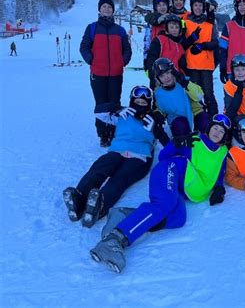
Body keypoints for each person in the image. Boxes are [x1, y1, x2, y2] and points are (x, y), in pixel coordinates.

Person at [89, 114, 231, 273]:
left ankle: (124, 216)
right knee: (164, 205)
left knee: (178, 218)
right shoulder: (195, 140)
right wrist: (176, 144)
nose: (217, 132)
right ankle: (116, 239)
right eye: (215, 128)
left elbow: (220, 173)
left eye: (221, 131)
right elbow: (164, 156)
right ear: (209, 127)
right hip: (170, 169)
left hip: (179, 187)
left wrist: (219, 188)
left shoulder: (222, 152)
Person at [62, 86, 155, 228]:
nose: (139, 106)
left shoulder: (152, 120)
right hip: (117, 151)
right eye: (137, 101)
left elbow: (167, 139)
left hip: (140, 156)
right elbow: (99, 112)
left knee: (120, 178)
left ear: (149, 105)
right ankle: (78, 198)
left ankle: (99, 206)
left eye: (143, 103)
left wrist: (156, 127)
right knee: (99, 168)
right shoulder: (122, 115)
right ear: (131, 101)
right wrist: (117, 108)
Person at [80, 0, 132, 147]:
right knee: (101, 105)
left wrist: (122, 61)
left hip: (116, 73)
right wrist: (92, 60)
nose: (107, 9)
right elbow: (84, 47)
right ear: (99, 9)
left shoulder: (120, 30)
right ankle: (103, 135)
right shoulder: (92, 28)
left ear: (113, 10)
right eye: (104, 7)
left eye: (109, 7)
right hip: (98, 74)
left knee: (115, 104)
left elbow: (127, 49)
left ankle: (114, 132)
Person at [152, 58, 210, 142]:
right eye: (162, 76)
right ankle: (184, 146)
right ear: (158, 79)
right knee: (180, 126)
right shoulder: (159, 93)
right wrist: (159, 114)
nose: (166, 77)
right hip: (178, 118)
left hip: (195, 113)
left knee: (204, 122)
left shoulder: (183, 81)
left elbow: (199, 96)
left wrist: (186, 84)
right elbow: (161, 107)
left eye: (168, 73)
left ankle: (206, 145)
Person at [183, 0, 219, 116]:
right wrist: (191, 41)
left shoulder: (210, 22)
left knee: (208, 93)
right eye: (195, 5)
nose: (198, 8)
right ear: (192, 7)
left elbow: (215, 42)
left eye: (200, 6)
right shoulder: (186, 22)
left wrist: (203, 45)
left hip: (206, 65)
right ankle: (199, 118)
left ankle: (214, 118)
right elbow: (182, 43)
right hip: (192, 65)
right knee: (195, 94)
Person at [144, 14, 193, 90]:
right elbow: (151, 59)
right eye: (171, 27)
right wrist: (154, 78)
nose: (174, 29)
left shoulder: (180, 46)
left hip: (175, 82)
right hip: (160, 80)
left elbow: (181, 67)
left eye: (177, 27)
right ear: (167, 28)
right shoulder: (159, 40)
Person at [219, 0, 245, 84]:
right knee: (233, 97)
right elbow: (222, 49)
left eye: (244, 5)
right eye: (240, 5)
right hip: (232, 70)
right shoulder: (229, 26)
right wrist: (223, 68)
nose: (242, 7)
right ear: (236, 7)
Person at [143, 0, 170, 66]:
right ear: (155, 7)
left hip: (170, 58)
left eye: (164, 5)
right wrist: (146, 59)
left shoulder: (171, 20)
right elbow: (147, 43)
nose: (162, 7)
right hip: (155, 58)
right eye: (159, 5)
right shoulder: (152, 21)